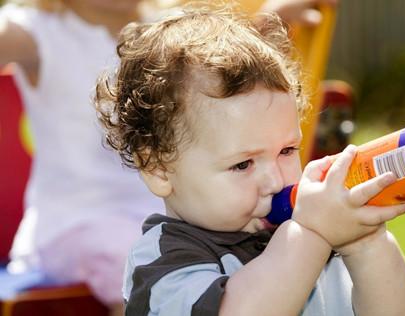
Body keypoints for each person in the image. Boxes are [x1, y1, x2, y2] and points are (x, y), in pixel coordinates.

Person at [0, 0, 340, 313]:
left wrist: (269, 18)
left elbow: (222, 79)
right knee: (136, 262)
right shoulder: (36, 31)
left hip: (161, 207)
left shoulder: (166, 30)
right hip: (73, 223)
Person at [94, 4, 405, 316]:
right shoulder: (164, 261)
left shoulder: (313, 229)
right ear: (158, 168)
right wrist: (311, 235)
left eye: (286, 151)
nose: (276, 181)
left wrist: (367, 243)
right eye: (243, 164)